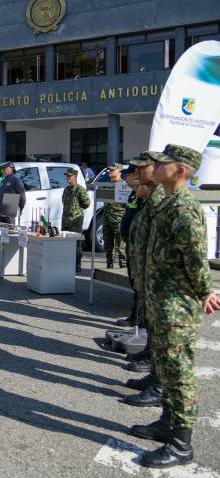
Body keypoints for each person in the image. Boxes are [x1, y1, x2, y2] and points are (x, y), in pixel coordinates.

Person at [130, 144, 219, 469]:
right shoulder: (168, 203)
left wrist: (205, 292)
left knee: (179, 372)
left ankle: (181, 444)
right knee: (167, 368)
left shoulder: (183, 207)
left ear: (180, 170)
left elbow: (196, 259)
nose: (158, 166)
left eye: (165, 162)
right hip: (162, 300)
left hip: (177, 305)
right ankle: (168, 422)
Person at [122, 153, 164, 407]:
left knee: (165, 342)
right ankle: (154, 377)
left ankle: (159, 387)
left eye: (141, 169)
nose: (134, 175)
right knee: (154, 332)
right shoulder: (147, 198)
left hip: (159, 283)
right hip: (146, 275)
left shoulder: (162, 201)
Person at [116, 165, 143, 328]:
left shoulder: (145, 195)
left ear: (135, 175)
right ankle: (136, 315)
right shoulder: (135, 194)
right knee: (134, 282)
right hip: (131, 245)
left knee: (140, 283)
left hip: (139, 247)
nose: (125, 180)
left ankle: (140, 319)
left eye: (127, 177)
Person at [60, 169, 90, 272]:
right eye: (67, 176)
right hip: (65, 220)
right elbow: (63, 201)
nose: (68, 178)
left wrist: (76, 210)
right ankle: (66, 262)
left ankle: (77, 263)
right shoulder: (66, 190)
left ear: (75, 177)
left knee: (77, 243)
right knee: (64, 242)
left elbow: (86, 204)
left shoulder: (80, 190)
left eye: (70, 176)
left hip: (76, 220)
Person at [103, 163, 127, 268]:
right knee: (108, 246)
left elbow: (130, 204)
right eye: (109, 170)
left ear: (119, 171)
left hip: (119, 220)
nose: (110, 172)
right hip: (107, 220)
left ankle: (123, 268)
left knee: (121, 247)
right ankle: (109, 266)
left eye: (113, 170)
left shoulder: (125, 186)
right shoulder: (106, 185)